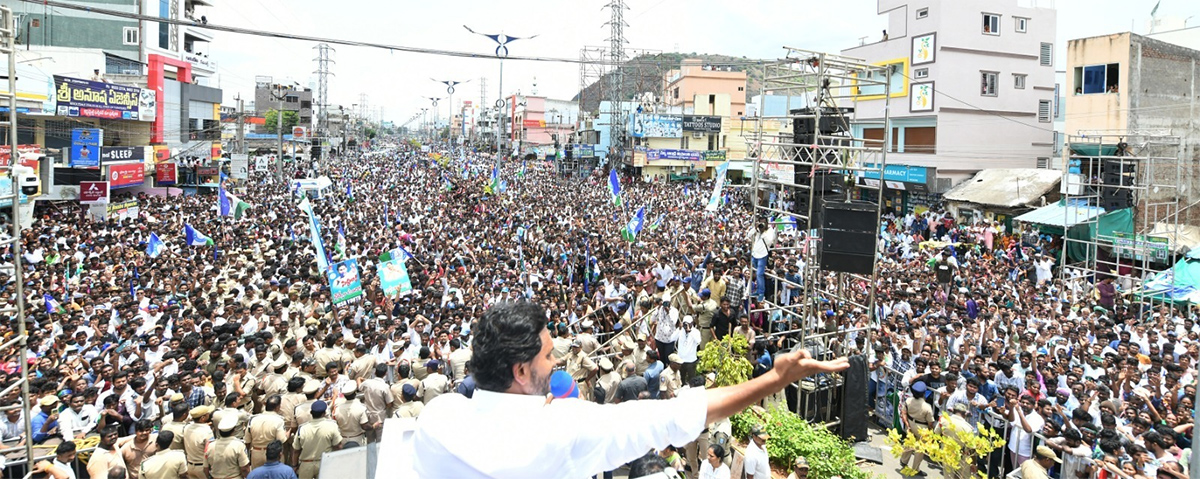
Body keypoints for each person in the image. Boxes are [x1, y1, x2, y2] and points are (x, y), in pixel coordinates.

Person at [410, 301, 849, 478]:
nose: (557, 361)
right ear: (521, 370)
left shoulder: (437, 419)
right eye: (547, 356)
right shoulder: (560, 431)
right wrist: (775, 379)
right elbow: (673, 415)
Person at [292, 401, 341, 479]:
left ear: (311, 413)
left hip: (305, 464)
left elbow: (296, 450)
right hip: (325, 463)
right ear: (324, 413)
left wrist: (294, 465)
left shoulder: (302, 429)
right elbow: (337, 446)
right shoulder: (332, 426)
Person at [899, 382, 933, 474]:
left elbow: (904, 413)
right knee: (919, 449)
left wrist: (907, 424)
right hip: (922, 428)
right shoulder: (927, 407)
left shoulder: (908, 400)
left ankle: (903, 460)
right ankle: (915, 468)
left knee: (909, 442)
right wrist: (931, 433)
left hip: (910, 423)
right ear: (924, 393)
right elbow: (930, 423)